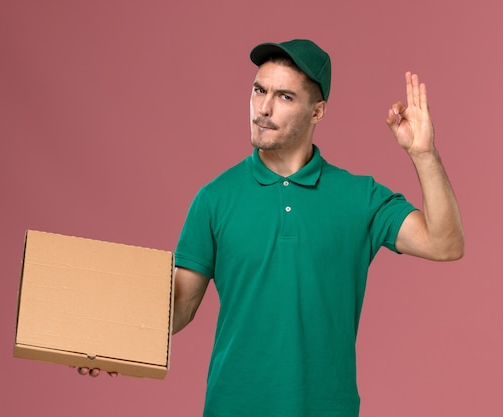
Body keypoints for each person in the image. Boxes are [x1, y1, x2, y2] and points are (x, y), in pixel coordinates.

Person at [83, 39, 464, 417]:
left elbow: (445, 243)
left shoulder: (359, 197)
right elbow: (181, 304)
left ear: (317, 112)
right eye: (258, 90)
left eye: (284, 97)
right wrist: (112, 342)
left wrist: (424, 154)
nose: (263, 108)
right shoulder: (215, 198)